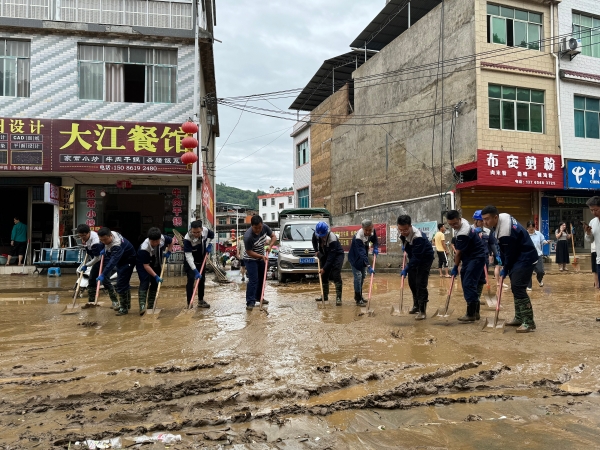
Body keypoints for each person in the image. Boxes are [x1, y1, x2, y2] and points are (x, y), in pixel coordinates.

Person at [482, 205, 538, 333]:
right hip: (517, 256)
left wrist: (505, 268)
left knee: (518, 287)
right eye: (483, 219)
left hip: (525, 257)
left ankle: (529, 322)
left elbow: (509, 254)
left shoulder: (506, 232)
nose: (485, 222)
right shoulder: (502, 218)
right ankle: (519, 317)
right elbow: (504, 250)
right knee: (515, 288)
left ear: (495, 217)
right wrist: (504, 264)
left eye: (487, 219)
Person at [446, 210, 486, 322]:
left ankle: (471, 314)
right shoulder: (463, 222)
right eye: (450, 224)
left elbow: (458, 253)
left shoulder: (463, 232)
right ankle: (476, 313)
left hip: (476, 257)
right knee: (467, 281)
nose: (453, 226)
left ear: (459, 219)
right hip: (471, 257)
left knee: (468, 283)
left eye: (455, 223)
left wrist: (455, 266)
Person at [397, 215, 434, 320]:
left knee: (420, 283)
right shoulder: (402, 233)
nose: (403, 232)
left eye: (405, 230)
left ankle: (422, 311)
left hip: (425, 258)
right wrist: (405, 246)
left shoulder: (418, 237)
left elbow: (417, 258)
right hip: (414, 256)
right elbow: (412, 254)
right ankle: (416, 305)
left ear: (410, 226)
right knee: (412, 282)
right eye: (400, 230)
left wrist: (406, 269)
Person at [76, 224, 119, 309]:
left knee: (106, 280)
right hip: (96, 261)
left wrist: (86, 265)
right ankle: (91, 302)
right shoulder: (85, 239)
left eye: (84, 235)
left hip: (105, 260)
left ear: (88, 233)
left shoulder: (95, 242)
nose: (82, 238)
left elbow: (97, 258)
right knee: (91, 279)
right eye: (80, 236)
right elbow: (90, 252)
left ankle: (115, 302)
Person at [97, 227, 136, 316]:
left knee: (121, 284)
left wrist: (103, 274)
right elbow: (104, 244)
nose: (103, 242)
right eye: (101, 240)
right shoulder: (111, 233)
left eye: (105, 240)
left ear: (110, 236)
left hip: (128, 260)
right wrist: (104, 249)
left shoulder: (117, 245)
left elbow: (112, 262)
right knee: (124, 283)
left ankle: (123, 308)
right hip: (121, 260)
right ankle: (127, 305)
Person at [243, 215, 277, 311]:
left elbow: (274, 237)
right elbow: (249, 252)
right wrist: (261, 256)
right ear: (252, 226)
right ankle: (250, 302)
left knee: (262, 278)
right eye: (255, 228)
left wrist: (270, 246)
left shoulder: (265, 227)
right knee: (253, 280)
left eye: (260, 227)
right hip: (250, 259)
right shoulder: (248, 236)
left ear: (262, 224)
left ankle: (259, 297)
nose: (258, 230)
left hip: (261, 258)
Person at [136, 227, 173, 315]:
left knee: (155, 284)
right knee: (144, 282)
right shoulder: (144, 248)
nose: (155, 243)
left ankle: (151, 305)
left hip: (156, 262)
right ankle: (142, 306)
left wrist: (169, 251)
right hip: (143, 264)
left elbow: (171, 241)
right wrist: (156, 276)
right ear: (149, 239)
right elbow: (146, 266)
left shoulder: (162, 238)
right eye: (153, 241)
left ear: (160, 238)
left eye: (157, 241)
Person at [312, 221, 345, 305]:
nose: (322, 237)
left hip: (337, 255)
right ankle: (325, 296)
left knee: (336, 274)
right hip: (325, 253)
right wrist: (316, 251)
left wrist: (324, 268)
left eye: (323, 235)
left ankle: (338, 298)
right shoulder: (316, 234)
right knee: (324, 275)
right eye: (320, 235)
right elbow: (314, 241)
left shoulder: (332, 238)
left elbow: (331, 258)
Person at [183, 220, 214, 309]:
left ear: (201, 229)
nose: (196, 234)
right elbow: (188, 256)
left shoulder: (206, 231)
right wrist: (195, 270)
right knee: (191, 279)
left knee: (202, 279)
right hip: (190, 262)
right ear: (191, 230)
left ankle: (200, 300)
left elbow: (212, 236)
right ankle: (189, 302)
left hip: (201, 259)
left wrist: (210, 244)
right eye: (194, 232)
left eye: (198, 232)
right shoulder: (187, 239)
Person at [348, 219, 379, 306]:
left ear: (372, 227)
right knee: (358, 276)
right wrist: (369, 266)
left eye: (370, 229)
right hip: (355, 258)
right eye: (366, 230)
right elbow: (361, 252)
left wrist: (375, 247)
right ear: (362, 228)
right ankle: (358, 299)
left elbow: (375, 240)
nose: (368, 232)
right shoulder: (358, 237)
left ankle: (359, 296)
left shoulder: (372, 231)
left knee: (363, 276)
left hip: (363, 257)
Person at [526, 221, 549, 291]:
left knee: (540, 271)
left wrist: (546, 242)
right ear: (527, 227)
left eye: (532, 227)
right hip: (528, 256)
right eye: (529, 227)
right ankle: (529, 286)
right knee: (528, 271)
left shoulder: (538, 233)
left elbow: (542, 241)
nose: (531, 228)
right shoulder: (524, 234)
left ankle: (539, 279)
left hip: (538, 255)